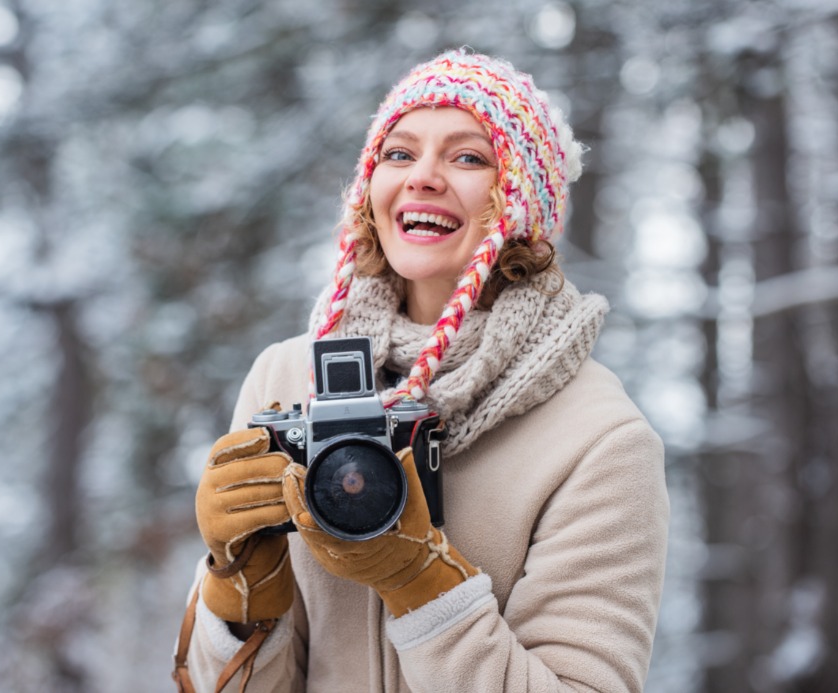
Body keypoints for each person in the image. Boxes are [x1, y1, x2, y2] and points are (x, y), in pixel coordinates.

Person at [173, 49, 669, 693]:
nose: (423, 178)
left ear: (522, 204)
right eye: (399, 154)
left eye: (468, 157)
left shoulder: (598, 438)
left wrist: (423, 586)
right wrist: (236, 596)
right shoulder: (287, 378)